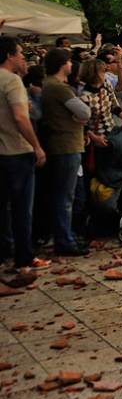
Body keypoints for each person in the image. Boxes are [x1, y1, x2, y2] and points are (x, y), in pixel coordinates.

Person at [0, 37, 48, 269]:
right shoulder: (11, 81)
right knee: (21, 210)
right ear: (9, 55)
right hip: (16, 152)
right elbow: (20, 117)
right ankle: (24, 258)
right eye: (19, 53)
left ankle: (4, 255)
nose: (22, 57)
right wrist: (36, 146)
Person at [40, 48, 90, 256]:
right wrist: (80, 114)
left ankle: (64, 235)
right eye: (69, 61)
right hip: (66, 145)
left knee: (63, 194)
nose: (72, 64)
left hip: (61, 144)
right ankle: (65, 240)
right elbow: (84, 112)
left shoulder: (48, 85)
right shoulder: (59, 88)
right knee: (65, 196)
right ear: (63, 64)